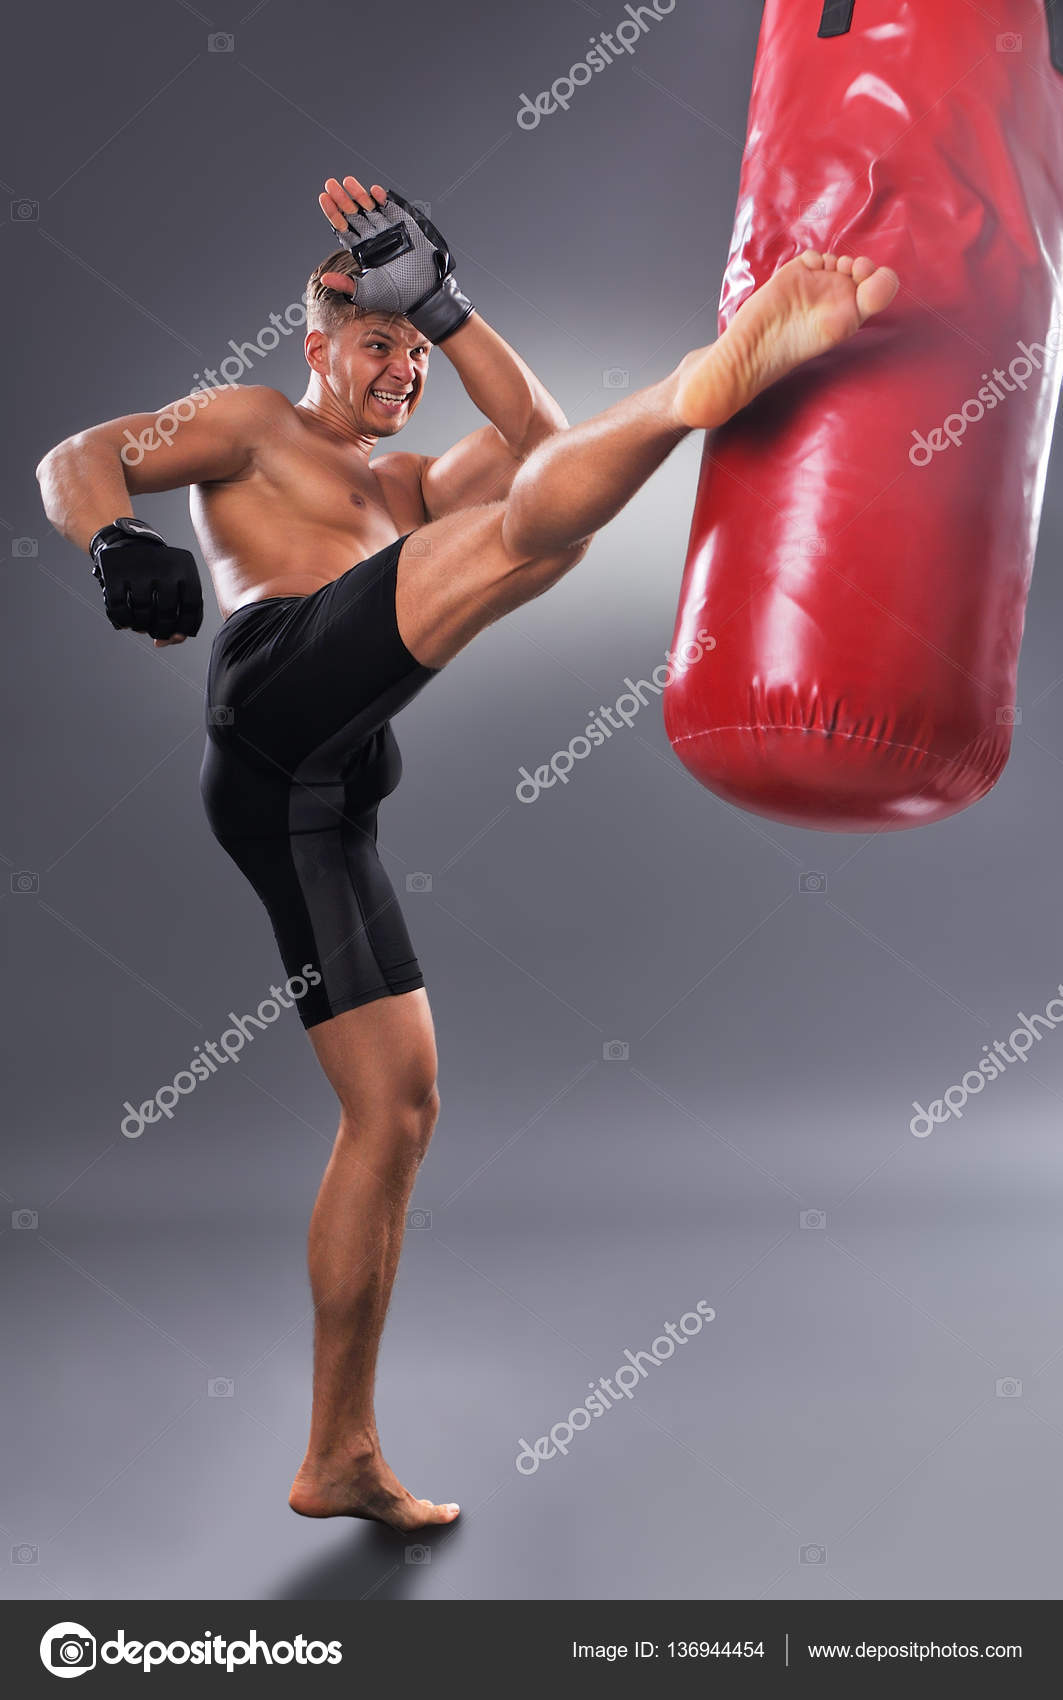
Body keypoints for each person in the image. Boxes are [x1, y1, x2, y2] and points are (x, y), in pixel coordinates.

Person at [36, 173, 899, 1530]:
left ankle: (338, 1455)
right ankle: (699, 388)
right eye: (375, 341)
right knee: (522, 543)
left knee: (398, 1111)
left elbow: (543, 438)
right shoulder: (255, 425)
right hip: (270, 699)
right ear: (314, 343)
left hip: (323, 795)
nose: (401, 367)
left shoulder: (409, 485)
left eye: (414, 349)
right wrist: (117, 536)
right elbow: (73, 455)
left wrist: (446, 302)